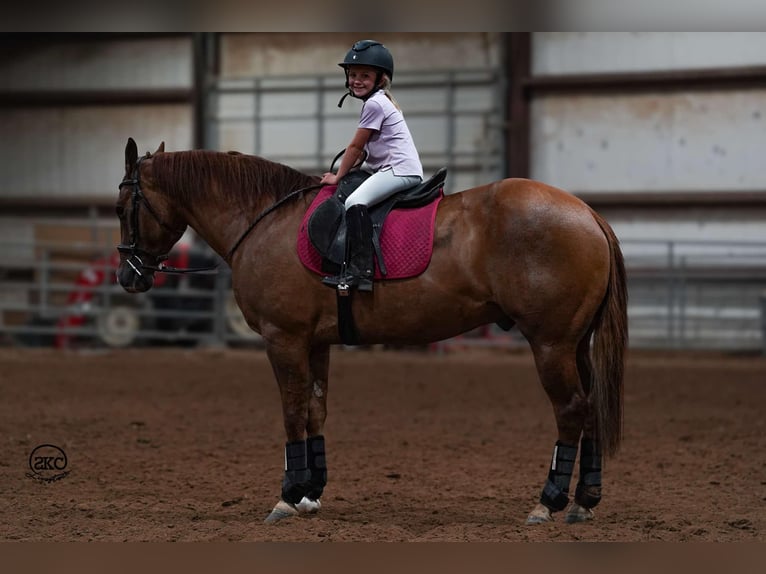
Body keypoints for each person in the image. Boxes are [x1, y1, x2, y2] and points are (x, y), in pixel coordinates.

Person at [320, 40, 424, 293]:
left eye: (365, 76)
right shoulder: (379, 100)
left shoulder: (375, 104)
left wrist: (337, 177)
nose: (357, 80)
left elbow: (356, 147)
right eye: (353, 74)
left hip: (399, 170)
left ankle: (361, 271)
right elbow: (364, 151)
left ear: (380, 79)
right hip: (389, 168)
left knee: (354, 202)